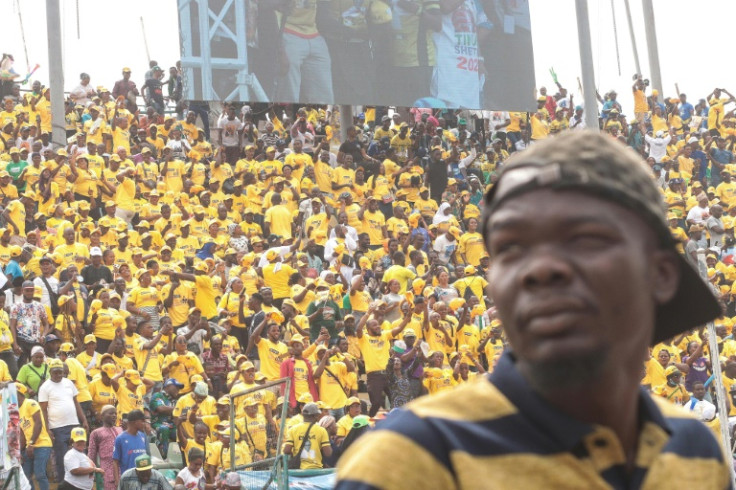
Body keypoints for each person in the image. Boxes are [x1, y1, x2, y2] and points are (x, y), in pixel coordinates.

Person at [335, 131, 729, 488]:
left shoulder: (693, 449)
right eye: (510, 247)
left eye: (584, 237)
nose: (540, 269)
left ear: (659, 274)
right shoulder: (411, 460)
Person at [39, 358, 89, 481]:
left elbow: (76, 403)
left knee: (79, 452)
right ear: (50, 372)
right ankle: (64, 483)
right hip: (57, 427)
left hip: (74, 424)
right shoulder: (45, 387)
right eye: (55, 372)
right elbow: (43, 410)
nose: (58, 375)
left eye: (60, 372)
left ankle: (79, 481)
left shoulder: (68, 383)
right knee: (62, 457)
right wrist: (48, 429)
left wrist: (84, 420)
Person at [17, 382, 52, 490]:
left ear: (19, 394)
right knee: (26, 476)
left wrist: (31, 443)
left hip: (42, 444)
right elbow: (22, 433)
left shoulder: (30, 403)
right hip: (29, 447)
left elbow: (38, 423)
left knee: (40, 474)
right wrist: (20, 451)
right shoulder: (16, 411)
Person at [283, 402, 332, 469]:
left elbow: (286, 450)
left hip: (299, 470)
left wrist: (294, 456)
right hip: (315, 469)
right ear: (315, 415)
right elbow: (328, 453)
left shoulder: (293, 429)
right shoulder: (322, 430)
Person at [87, 405, 122, 490]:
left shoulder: (121, 429)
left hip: (123, 470)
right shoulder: (96, 433)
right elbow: (91, 455)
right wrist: (91, 473)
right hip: (107, 472)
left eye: (115, 413)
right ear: (102, 416)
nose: (114, 415)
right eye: (110, 413)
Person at [112, 409, 149, 487]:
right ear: (134, 422)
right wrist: (117, 481)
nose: (144, 424)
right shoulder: (120, 438)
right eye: (142, 421)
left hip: (143, 479)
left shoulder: (143, 436)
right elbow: (115, 461)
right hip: (128, 480)